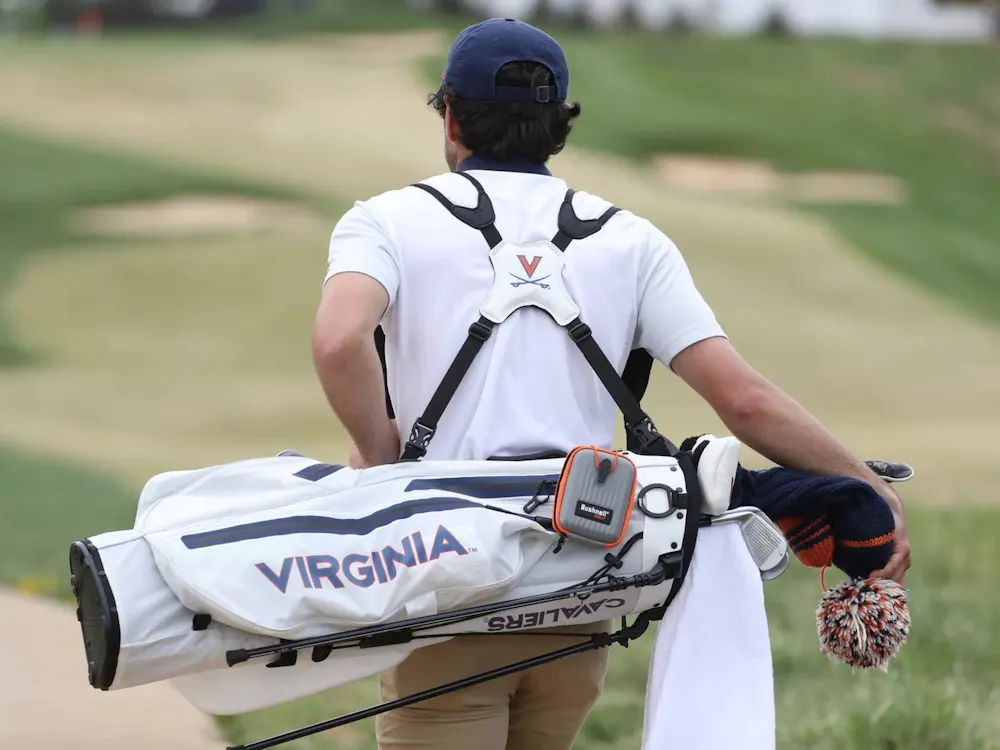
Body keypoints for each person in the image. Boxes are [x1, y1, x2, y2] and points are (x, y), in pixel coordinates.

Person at [311, 17, 911, 750]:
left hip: (446, 589)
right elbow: (744, 400)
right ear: (558, 124)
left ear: (451, 116)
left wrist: (379, 452)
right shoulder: (631, 239)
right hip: (580, 595)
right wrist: (868, 488)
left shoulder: (385, 221)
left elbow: (340, 340)